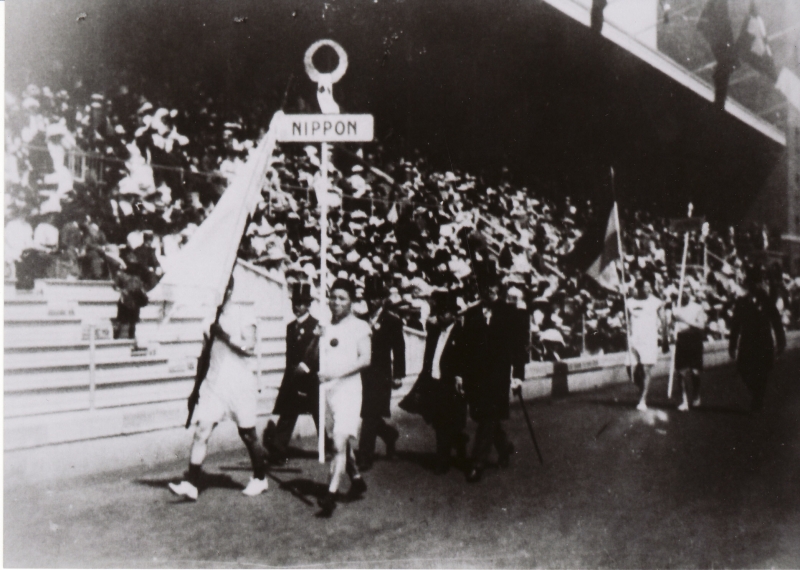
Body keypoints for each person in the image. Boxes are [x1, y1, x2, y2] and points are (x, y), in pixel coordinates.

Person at [169, 277, 269, 500]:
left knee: (248, 434)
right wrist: (195, 389)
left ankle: (260, 478)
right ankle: (192, 483)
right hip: (214, 384)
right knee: (201, 431)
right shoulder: (208, 319)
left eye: (223, 288)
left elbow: (250, 347)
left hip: (240, 385)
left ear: (230, 289)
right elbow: (204, 357)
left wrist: (224, 335)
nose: (219, 293)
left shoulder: (244, 314)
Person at [457, 283, 528, 483]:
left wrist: (518, 376)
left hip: (498, 375)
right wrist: (460, 374)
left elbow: (519, 346)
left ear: (499, 292)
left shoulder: (510, 313)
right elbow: (464, 346)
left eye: (492, 289)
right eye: (484, 288)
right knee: (482, 416)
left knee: (488, 417)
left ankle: (477, 463)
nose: (488, 292)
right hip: (476, 376)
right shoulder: (471, 313)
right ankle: (504, 447)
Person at [317, 278, 372, 516]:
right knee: (339, 441)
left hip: (348, 390)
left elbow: (365, 359)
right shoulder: (325, 326)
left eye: (342, 298)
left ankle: (330, 495)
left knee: (338, 442)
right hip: (328, 392)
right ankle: (356, 478)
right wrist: (316, 337)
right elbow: (316, 357)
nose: (336, 302)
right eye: (333, 297)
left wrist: (336, 374)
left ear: (351, 302)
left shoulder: (360, 326)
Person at [264, 282, 321, 464]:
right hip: (294, 378)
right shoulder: (290, 327)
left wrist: (307, 367)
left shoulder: (316, 326)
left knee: (319, 415)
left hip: (310, 378)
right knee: (288, 412)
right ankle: (278, 450)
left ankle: (332, 445)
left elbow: (319, 352)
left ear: (309, 304)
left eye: (302, 303)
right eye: (295, 302)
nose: (297, 306)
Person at [357, 276, 405, 471]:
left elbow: (399, 349)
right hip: (361, 374)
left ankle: (365, 455)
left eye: (376, 297)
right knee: (369, 413)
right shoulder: (360, 320)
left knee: (369, 414)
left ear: (383, 299)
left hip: (381, 374)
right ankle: (389, 434)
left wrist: (398, 375)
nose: (372, 301)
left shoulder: (392, 321)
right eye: (369, 297)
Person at [418, 290, 469, 474]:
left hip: (451, 383)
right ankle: (456, 444)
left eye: (445, 311)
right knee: (440, 422)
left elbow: (465, 359)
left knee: (447, 423)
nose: (441, 315)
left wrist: (460, 376)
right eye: (439, 311)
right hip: (435, 382)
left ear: (454, 314)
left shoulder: (461, 333)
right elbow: (428, 356)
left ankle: (443, 460)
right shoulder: (434, 332)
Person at [729, 265, 786, 412]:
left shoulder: (767, 301)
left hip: (763, 341)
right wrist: (732, 345)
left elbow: (776, 321)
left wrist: (781, 342)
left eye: (756, 283)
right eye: (751, 283)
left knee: (762, 371)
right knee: (743, 369)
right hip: (747, 342)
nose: (754, 286)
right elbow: (736, 325)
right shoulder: (742, 302)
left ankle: (758, 397)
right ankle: (757, 394)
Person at [626, 276, 667, 411]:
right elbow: (627, 320)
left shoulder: (656, 302)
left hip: (649, 340)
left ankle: (643, 399)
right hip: (634, 340)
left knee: (646, 369)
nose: (648, 289)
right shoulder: (629, 302)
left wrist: (665, 339)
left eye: (650, 286)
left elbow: (664, 320)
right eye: (645, 286)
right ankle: (642, 388)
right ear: (638, 288)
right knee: (630, 369)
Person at [672, 291, 707, 411]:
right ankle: (684, 401)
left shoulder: (697, 307)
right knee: (680, 372)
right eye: (682, 293)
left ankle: (696, 394)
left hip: (694, 339)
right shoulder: (675, 308)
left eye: (686, 293)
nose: (684, 295)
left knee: (695, 372)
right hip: (681, 339)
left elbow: (701, 326)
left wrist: (684, 319)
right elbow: (672, 324)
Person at [112, 249, 149, 340]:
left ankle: (131, 337)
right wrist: (122, 290)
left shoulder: (138, 276)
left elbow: (143, 286)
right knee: (121, 320)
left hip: (135, 300)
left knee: (133, 322)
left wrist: (142, 291)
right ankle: (117, 336)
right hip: (125, 300)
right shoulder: (121, 274)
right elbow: (115, 285)